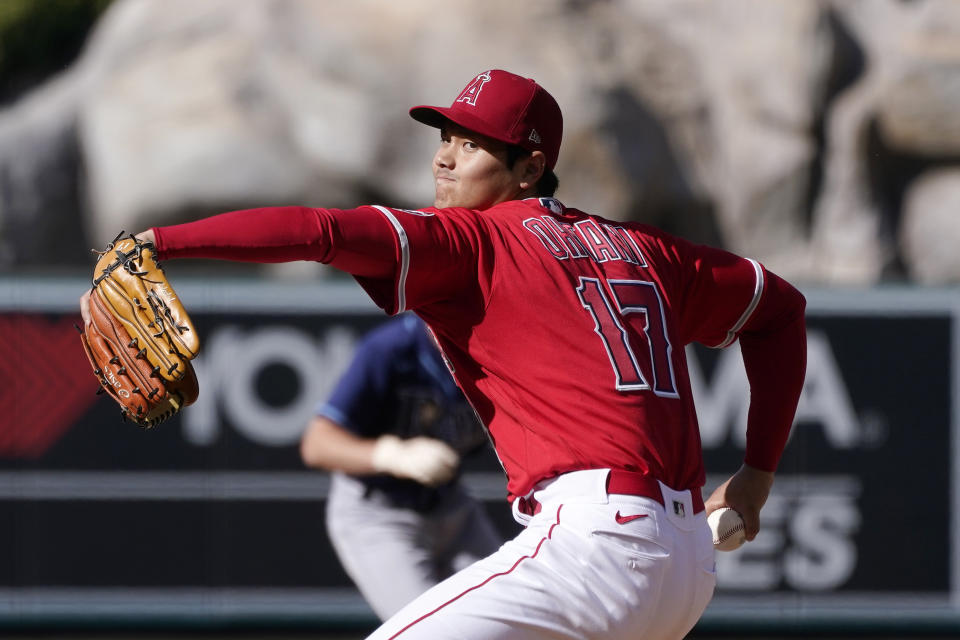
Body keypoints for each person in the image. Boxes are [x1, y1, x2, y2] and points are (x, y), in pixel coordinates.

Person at [80, 68, 807, 639]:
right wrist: (754, 480)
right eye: (446, 136)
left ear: (530, 166)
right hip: (686, 567)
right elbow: (781, 312)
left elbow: (319, 231)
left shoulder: (471, 242)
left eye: (473, 143)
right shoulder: (650, 250)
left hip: (595, 548)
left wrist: (159, 243)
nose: (446, 158)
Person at [299, 313, 502, 621]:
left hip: (454, 507)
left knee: (511, 619)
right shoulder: (390, 349)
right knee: (430, 629)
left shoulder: (496, 350)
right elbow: (317, 444)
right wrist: (392, 455)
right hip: (379, 515)